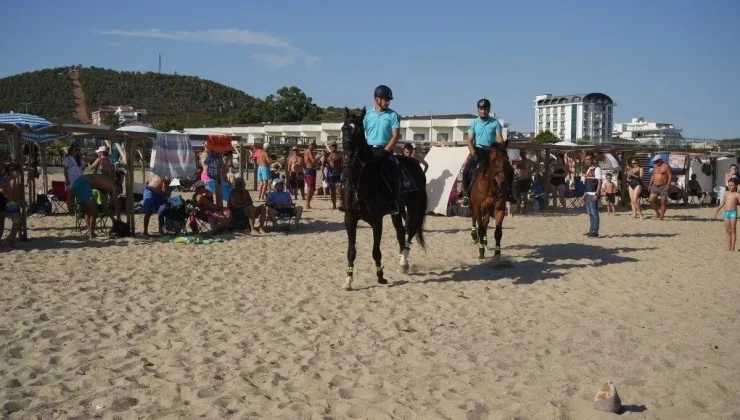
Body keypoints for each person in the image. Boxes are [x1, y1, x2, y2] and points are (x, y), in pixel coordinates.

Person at [459, 98, 510, 208]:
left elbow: (499, 138)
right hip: (477, 151)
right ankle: (467, 195)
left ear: (489, 110)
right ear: (478, 110)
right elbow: (469, 140)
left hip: (491, 151)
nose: (483, 111)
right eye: (481, 109)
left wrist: (502, 146)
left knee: (508, 169)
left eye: (485, 109)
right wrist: (473, 153)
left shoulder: (495, 122)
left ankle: (510, 194)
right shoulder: (473, 123)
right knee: (466, 170)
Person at [363, 85, 401, 215]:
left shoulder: (393, 115)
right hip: (369, 150)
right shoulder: (368, 114)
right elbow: (361, 133)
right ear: (377, 99)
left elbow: (396, 136)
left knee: (394, 172)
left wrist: (385, 151)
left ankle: (393, 203)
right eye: (386, 99)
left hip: (385, 150)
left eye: (389, 100)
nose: (388, 102)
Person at [67, 174, 122, 239]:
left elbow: (105, 206)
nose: (119, 193)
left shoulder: (106, 185)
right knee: (93, 212)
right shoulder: (114, 187)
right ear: (119, 187)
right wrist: (118, 218)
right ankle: (92, 235)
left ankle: (91, 233)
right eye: (120, 192)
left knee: (88, 211)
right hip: (84, 184)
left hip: (78, 182)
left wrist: (112, 218)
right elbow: (117, 204)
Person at [714, 178, 740, 251]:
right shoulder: (726, 193)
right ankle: (728, 246)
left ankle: (733, 247)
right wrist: (717, 210)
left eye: (732, 185)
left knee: (733, 230)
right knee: (727, 230)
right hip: (726, 213)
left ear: (736, 186)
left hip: (733, 213)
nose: (730, 186)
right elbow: (722, 203)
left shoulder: (737, 194)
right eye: (729, 185)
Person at [2, 164, 24, 247]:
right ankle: (10, 239)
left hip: (12, 204)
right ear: (11, 172)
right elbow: (11, 193)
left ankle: (11, 239)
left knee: (17, 222)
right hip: (13, 204)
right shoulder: (12, 181)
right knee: (16, 223)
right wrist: (16, 200)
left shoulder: (10, 180)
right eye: (17, 171)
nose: (18, 173)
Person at [583, 153, 602, 238]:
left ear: (593, 159)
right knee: (590, 212)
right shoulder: (588, 169)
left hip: (593, 193)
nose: (587, 161)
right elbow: (587, 183)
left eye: (589, 159)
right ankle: (592, 229)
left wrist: (597, 194)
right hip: (588, 193)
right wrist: (585, 193)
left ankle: (595, 231)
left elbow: (599, 182)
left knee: (594, 212)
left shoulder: (597, 169)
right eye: (586, 159)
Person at [515, 148, 537, 213]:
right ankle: (518, 209)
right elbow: (515, 168)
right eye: (521, 153)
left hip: (526, 179)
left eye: (523, 153)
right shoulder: (518, 162)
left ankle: (525, 209)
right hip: (519, 179)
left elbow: (536, 166)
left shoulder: (529, 161)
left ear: (525, 154)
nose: (522, 154)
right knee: (518, 195)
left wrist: (532, 172)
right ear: (520, 154)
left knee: (525, 195)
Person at [303, 142, 318, 209]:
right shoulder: (308, 151)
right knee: (310, 187)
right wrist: (321, 155)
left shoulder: (310, 151)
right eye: (312, 145)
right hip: (309, 170)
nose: (313, 146)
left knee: (313, 188)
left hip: (312, 170)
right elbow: (313, 161)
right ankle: (307, 204)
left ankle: (308, 203)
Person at [0, 154, 8, 242]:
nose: (1, 163)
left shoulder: (6, 171)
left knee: (2, 218)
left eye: (2, 161)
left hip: (5, 197)